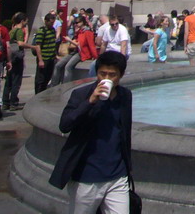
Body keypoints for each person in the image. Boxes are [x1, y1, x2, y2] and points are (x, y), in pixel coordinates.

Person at [49, 51, 134, 213]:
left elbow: (125, 131)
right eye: (102, 73)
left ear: (121, 76)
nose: (106, 79)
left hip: (117, 176)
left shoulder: (125, 96)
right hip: (86, 177)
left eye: (112, 75)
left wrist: (127, 166)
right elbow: (65, 125)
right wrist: (90, 102)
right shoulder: (81, 94)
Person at [4, 12, 35, 110]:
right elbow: (21, 44)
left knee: (8, 81)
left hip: (10, 57)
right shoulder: (19, 31)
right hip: (17, 57)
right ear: (22, 21)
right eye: (26, 21)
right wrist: (32, 46)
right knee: (16, 81)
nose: (27, 23)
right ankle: (14, 102)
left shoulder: (12, 30)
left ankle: (5, 102)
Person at [32, 12, 61, 94]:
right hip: (44, 58)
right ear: (46, 21)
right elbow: (38, 46)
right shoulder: (41, 31)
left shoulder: (52, 30)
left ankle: (43, 93)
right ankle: (37, 94)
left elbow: (53, 44)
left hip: (51, 58)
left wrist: (55, 55)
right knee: (40, 79)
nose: (52, 24)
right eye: (51, 22)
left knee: (47, 77)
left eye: (53, 22)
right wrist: (40, 60)